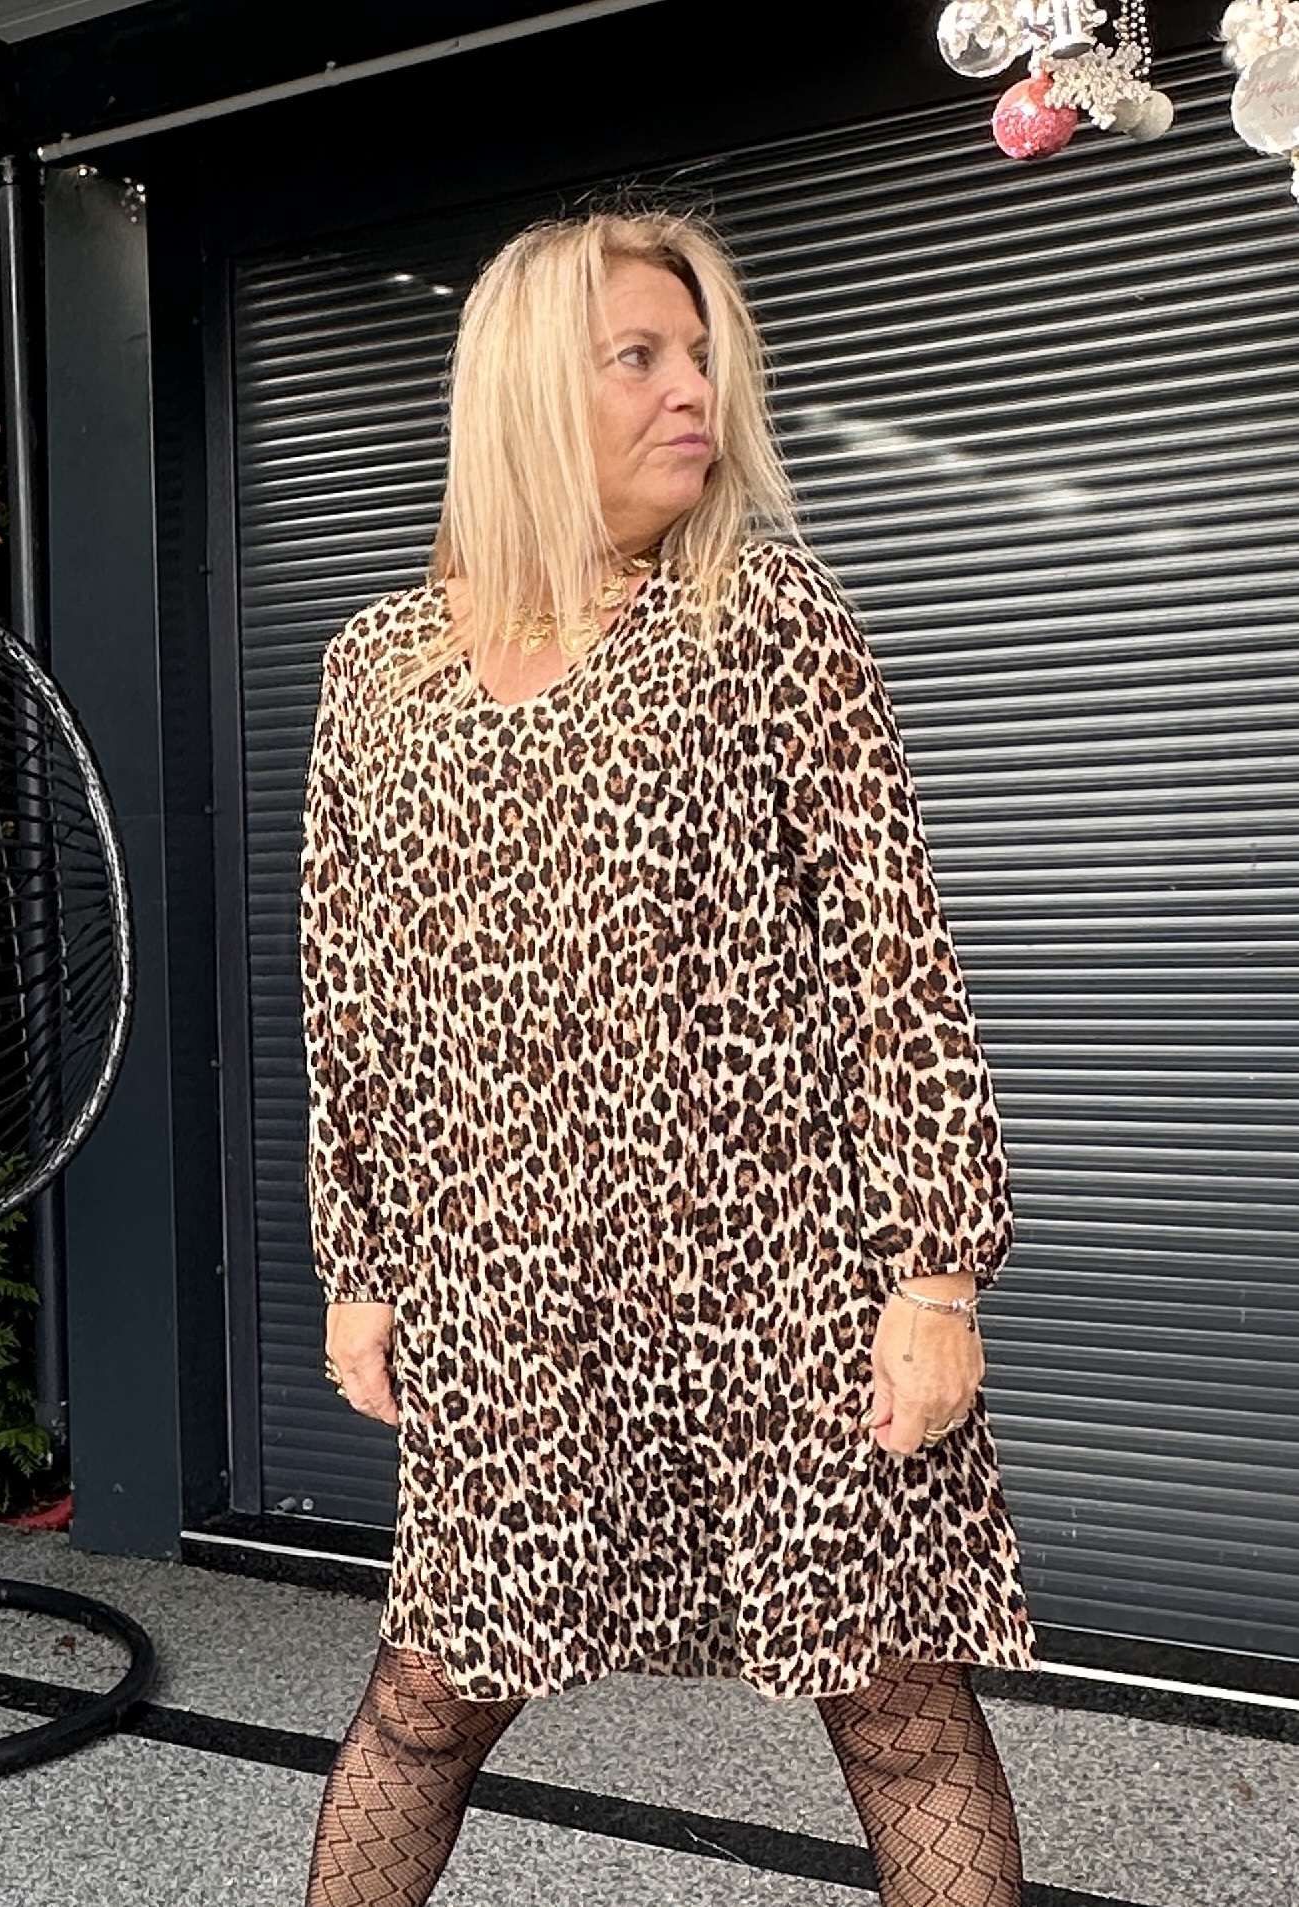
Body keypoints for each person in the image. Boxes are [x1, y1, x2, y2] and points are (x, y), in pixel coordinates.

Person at [297, 207, 1037, 1907]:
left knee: (897, 1709)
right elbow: (350, 991)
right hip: (505, 1295)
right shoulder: (376, 669)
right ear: (524, 388)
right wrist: (362, 1267)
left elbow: (895, 958)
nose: (691, 390)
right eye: (636, 355)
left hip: (780, 1287)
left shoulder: (761, 615)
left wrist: (936, 1276)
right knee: (423, 1703)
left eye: (700, 355)